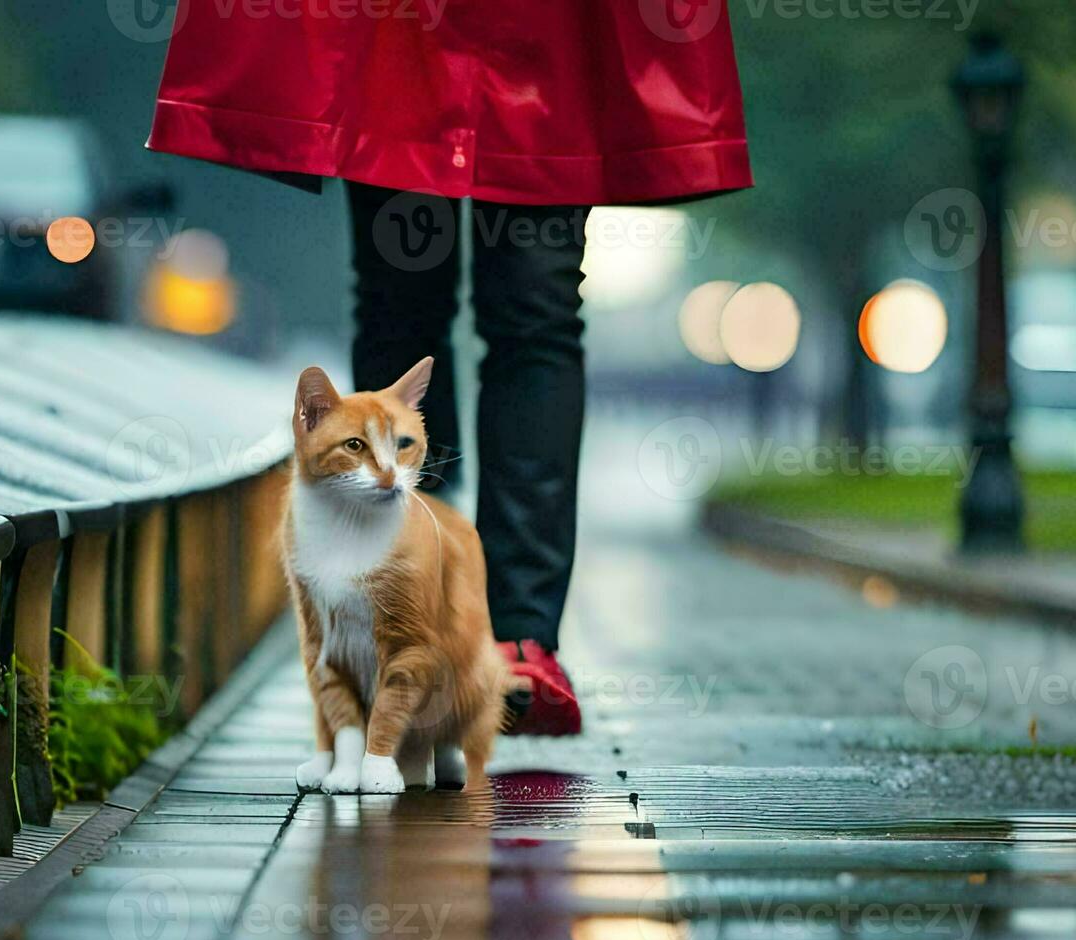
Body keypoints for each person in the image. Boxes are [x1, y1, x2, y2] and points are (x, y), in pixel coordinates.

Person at [148, 1, 753, 735]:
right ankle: (405, 621)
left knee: (529, 313)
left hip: (542, 38)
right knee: (421, 311)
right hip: (398, 35)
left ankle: (520, 640)